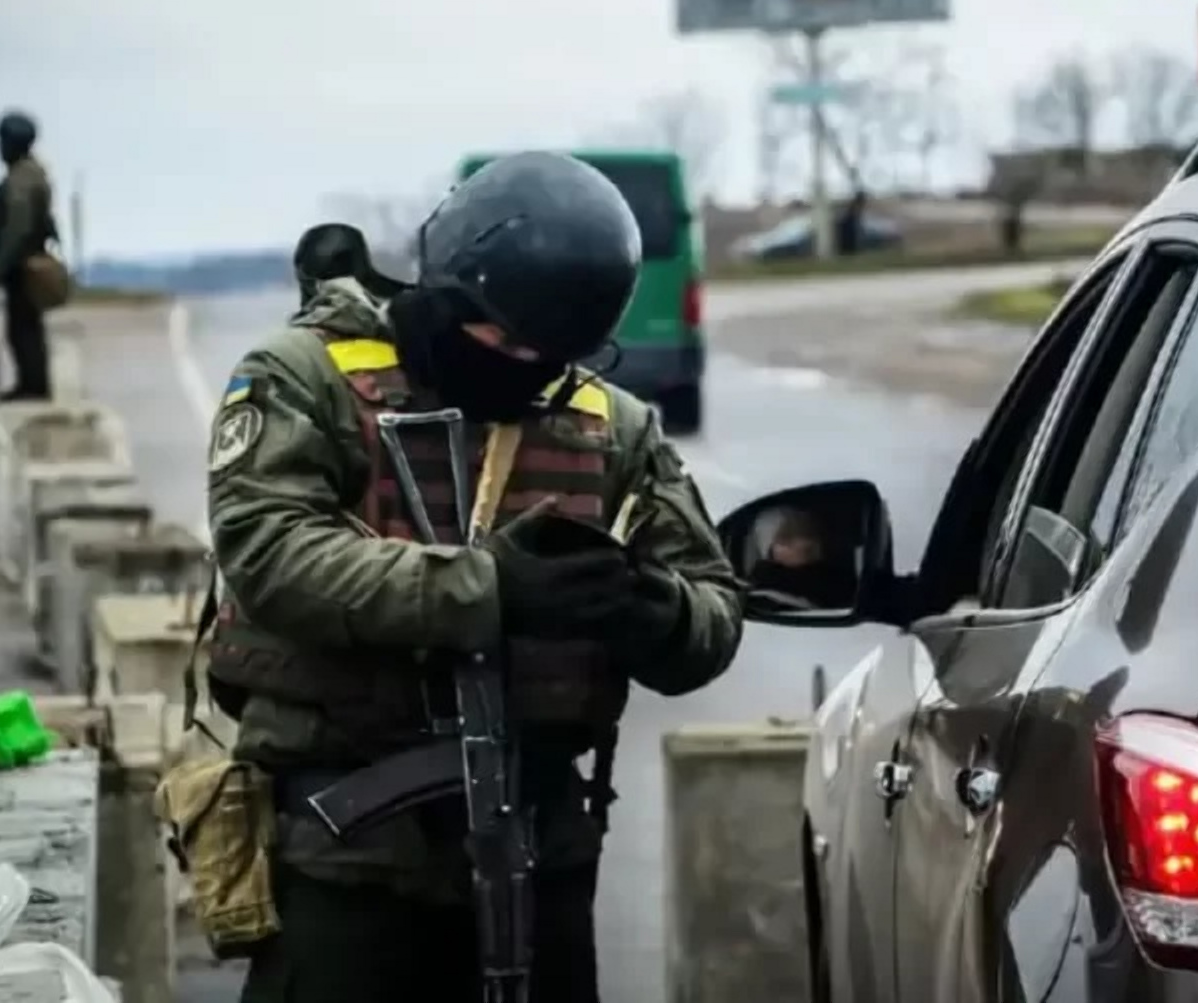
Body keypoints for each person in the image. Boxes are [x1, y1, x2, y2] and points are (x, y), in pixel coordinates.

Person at [201, 151, 745, 1002]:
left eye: (548, 353)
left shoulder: (610, 424)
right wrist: (490, 590)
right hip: (351, 857)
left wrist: (645, 606)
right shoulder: (305, 379)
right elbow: (272, 553)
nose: (522, 364)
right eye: (504, 339)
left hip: (543, 853)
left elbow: (711, 613)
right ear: (448, 289)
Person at [0, 110, 55, 401]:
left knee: (22, 328)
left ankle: (32, 385)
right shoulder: (30, 173)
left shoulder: (21, 180)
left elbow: (16, 228)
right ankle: (32, 382)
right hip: (27, 259)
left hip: (22, 263)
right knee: (25, 326)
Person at [748, 508, 856, 609]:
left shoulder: (839, 582)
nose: (808, 541)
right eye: (788, 536)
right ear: (773, 550)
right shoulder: (765, 600)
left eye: (809, 531)